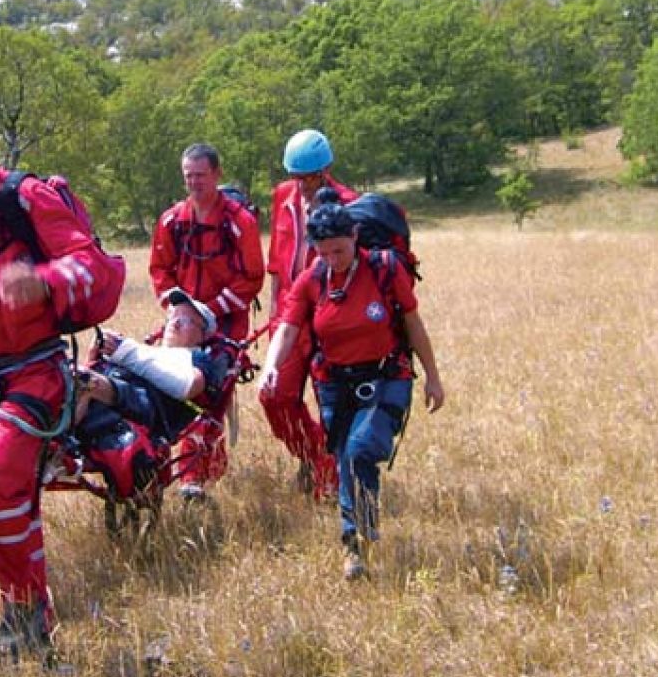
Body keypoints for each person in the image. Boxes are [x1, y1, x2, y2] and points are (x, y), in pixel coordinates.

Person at [0, 87, 126, 661]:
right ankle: (29, 620)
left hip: (36, 374)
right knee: (12, 500)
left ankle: (24, 610)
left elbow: (93, 266)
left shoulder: (24, 199)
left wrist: (44, 280)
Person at [257, 199, 445, 581]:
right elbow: (289, 328)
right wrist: (270, 367)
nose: (333, 259)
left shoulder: (385, 271)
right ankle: (355, 544)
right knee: (345, 462)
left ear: (355, 237)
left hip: (387, 377)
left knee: (360, 452)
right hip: (335, 385)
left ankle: (361, 531)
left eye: (340, 250)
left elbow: (413, 324)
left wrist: (433, 376)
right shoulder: (313, 278)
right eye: (324, 252)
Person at [149, 143, 263, 498]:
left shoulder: (238, 223)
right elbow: (159, 270)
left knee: (209, 392)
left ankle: (193, 479)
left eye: (200, 175)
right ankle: (199, 466)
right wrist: (180, 309)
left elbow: (251, 278)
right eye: (188, 176)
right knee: (168, 388)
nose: (194, 183)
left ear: (217, 174)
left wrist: (210, 311)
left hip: (227, 323)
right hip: (184, 323)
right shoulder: (172, 221)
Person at [262, 129, 359, 499]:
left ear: (327, 170)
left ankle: (332, 480)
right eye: (295, 176)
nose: (301, 184)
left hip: (327, 323)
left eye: (309, 176)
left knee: (331, 406)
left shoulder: (349, 205)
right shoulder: (283, 197)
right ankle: (317, 457)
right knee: (274, 397)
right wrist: (275, 316)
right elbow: (277, 259)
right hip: (288, 317)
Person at [74, 288, 234, 472]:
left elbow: (188, 386)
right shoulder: (148, 354)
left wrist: (127, 352)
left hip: (146, 407)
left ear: (203, 335)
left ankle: (57, 449)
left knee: (87, 382)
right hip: (112, 396)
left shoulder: (197, 359)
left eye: (185, 321)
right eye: (172, 318)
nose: (174, 325)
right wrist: (94, 355)